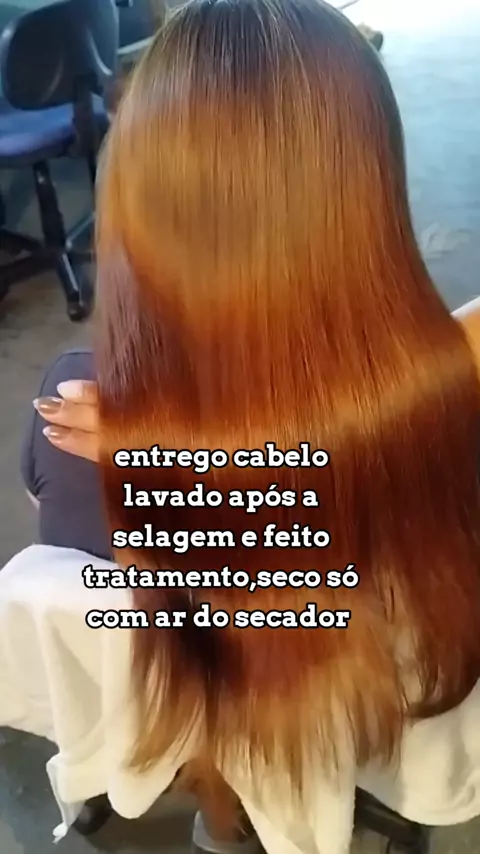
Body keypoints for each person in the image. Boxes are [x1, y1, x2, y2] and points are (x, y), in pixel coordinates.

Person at [13, 0, 480, 849]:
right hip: (383, 718)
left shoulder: (74, 414)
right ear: (367, 193)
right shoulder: (438, 405)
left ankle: (228, 812)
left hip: (186, 721)